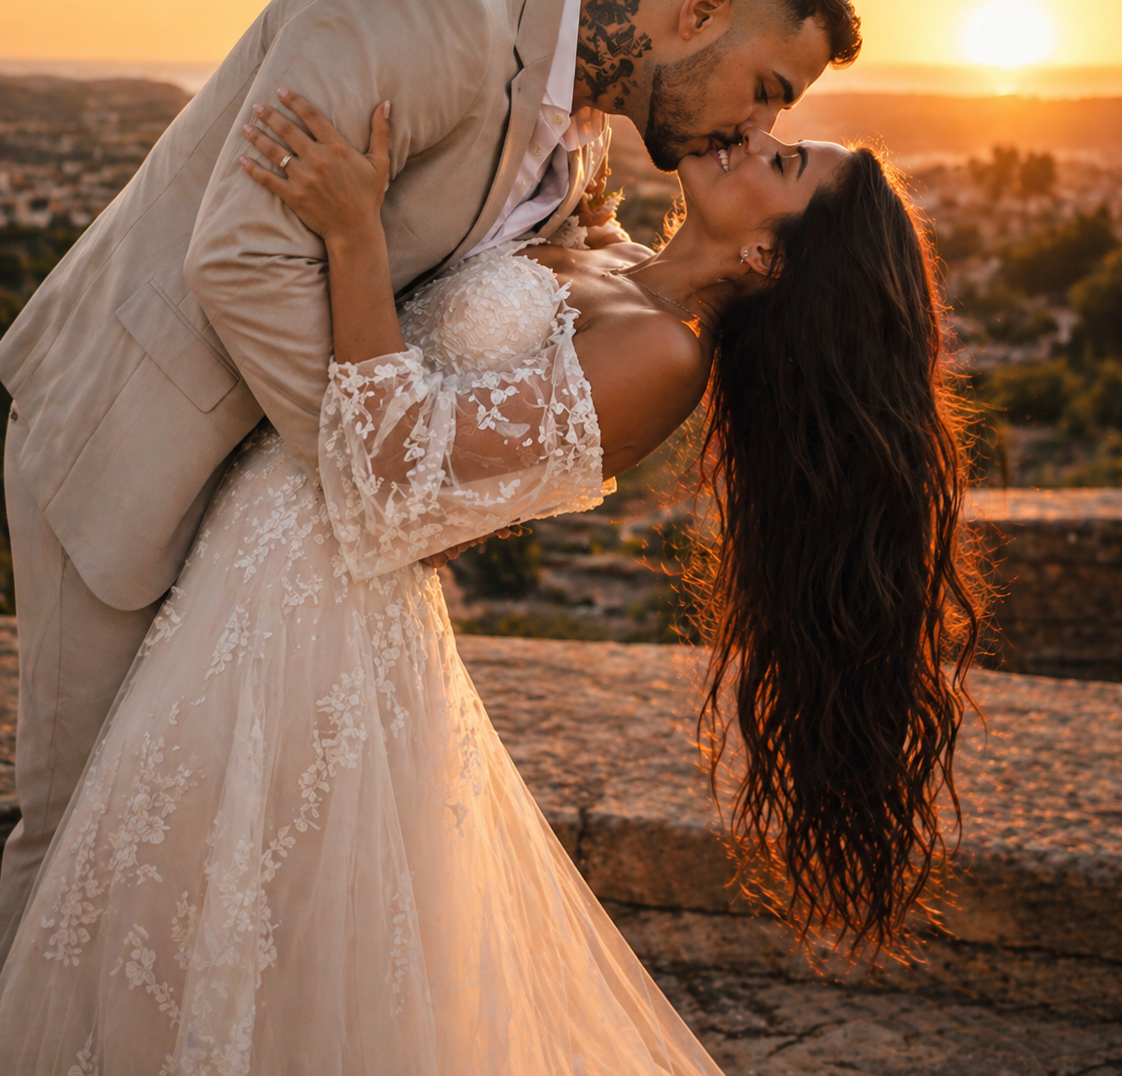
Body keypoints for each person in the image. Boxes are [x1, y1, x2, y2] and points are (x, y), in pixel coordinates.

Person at [0, 75, 981, 1071]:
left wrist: (353, 236)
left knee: (235, 939)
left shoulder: (665, 360)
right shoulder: (622, 257)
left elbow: (396, 492)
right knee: (169, 918)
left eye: (784, 162)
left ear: (768, 255)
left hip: (317, 609)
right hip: (254, 559)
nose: (759, 136)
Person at [0, 0, 861, 960]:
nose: (757, 128)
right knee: (75, 831)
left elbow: (543, 309)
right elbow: (240, 259)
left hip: (270, 538)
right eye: (768, 89)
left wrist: (389, 481)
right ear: (703, 10)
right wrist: (377, 488)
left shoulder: (583, 120)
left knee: (182, 878)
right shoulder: (432, 9)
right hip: (137, 440)